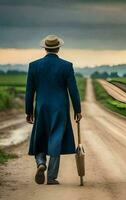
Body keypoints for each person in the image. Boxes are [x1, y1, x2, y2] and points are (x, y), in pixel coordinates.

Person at [25, 35, 82, 185]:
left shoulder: (34, 66)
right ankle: (51, 177)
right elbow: (73, 90)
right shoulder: (66, 66)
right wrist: (77, 109)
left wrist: (28, 111)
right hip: (60, 108)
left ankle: (40, 162)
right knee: (56, 139)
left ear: (45, 48)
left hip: (42, 107)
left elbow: (29, 92)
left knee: (40, 137)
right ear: (58, 48)